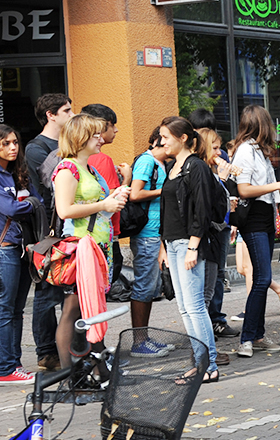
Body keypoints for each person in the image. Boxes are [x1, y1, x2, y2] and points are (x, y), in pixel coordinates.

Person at [51, 114, 130, 369]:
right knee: (73, 309)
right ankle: (70, 375)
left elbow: (98, 207)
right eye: (95, 135)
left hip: (96, 247)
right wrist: (105, 203)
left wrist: (116, 194)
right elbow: (64, 210)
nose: (100, 139)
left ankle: (96, 370)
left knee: (91, 309)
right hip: (80, 248)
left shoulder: (89, 168)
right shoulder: (68, 168)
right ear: (80, 138)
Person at [157, 116, 223, 382]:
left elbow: (202, 208)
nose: (161, 142)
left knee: (195, 306)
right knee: (185, 308)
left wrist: (193, 246)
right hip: (173, 243)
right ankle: (199, 362)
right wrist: (164, 246)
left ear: (182, 138)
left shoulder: (195, 167)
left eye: (165, 137)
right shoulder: (173, 167)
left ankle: (210, 365)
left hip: (188, 242)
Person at [229, 105, 280, 357]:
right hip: (254, 217)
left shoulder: (259, 151)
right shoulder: (246, 151)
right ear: (262, 124)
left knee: (261, 278)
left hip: (265, 216)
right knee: (262, 278)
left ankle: (256, 336)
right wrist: (279, 184)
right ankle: (248, 338)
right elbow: (243, 189)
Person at [25, 93, 73, 371]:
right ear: (51, 115)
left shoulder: (65, 143)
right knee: (45, 291)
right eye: (66, 110)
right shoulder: (36, 148)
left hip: (66, 227)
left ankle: (68, 347)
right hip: (48, 229)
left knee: (66, 291)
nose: (71, 114)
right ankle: (46, 353)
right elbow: (49, 182)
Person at [126, 127, 175, 358]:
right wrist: (164, 191)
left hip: (156, 233)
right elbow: (135, 194)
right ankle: (139, 342)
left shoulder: (162, 164)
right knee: (144, 286)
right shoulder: (147, 161)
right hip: (146, 234)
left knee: (150, 287)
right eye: (165, 140)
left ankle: (144, 338)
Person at [196, 128, 240, 367]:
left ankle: (206, 350)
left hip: (217, 233)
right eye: (214, 147)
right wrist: (222, 180)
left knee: (208, 292)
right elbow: (207, 205)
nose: (219, 152)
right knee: (202, 298)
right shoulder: (203, 172)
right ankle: (204, 353)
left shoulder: (209, 171)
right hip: (207, 239)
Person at [0, 124, 35, 384]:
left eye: (14, 142)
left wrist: (28, 204)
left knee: (17, 310)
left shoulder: (16, 173)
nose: (12, 148)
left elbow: (38, 201)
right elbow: (12, 208)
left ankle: (15, 363)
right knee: (5, 309)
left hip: (22, 248)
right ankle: (5, 368)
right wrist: (28, 204)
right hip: (4, 250)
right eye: (5, 143)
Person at [81, 105, 129, 288]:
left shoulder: (71, 161)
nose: (115, 130)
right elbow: (113, 202)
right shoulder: (101, 159)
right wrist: (127, 180)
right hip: (102, 234)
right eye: (111, 125)